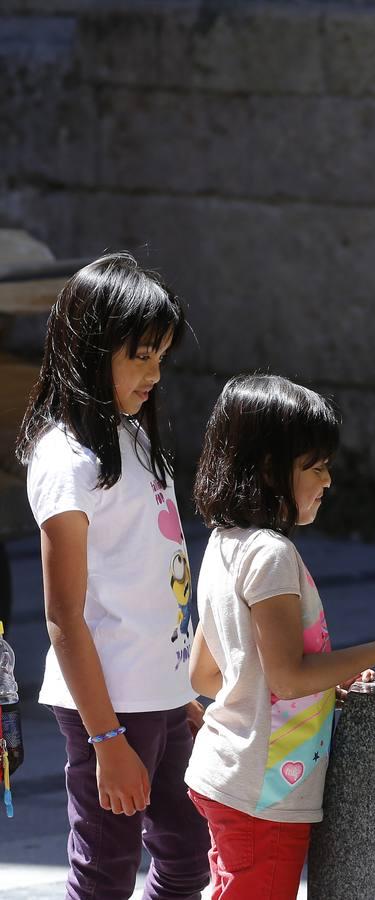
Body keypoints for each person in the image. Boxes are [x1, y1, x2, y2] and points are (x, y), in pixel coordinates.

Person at [182, 374, 375, 899]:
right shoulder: (272, 555)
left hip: (228, 775)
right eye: (315, 467)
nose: (328, 480)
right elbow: (287, 678)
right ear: (269, 470)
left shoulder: (224, 543)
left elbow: (206, 672)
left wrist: (328, 682)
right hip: (264, 793)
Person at [15, 253, 210, 900]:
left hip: (158, 696)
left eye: (161, 358)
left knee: (187, 859)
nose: (155, 375)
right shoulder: (64, 459)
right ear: (93, 349)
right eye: (141, 357)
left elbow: (152, 578)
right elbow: (64, 617)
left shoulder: (134, 436)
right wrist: (106, 738)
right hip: (108, 707)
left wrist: (178, 688)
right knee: (104, 876)